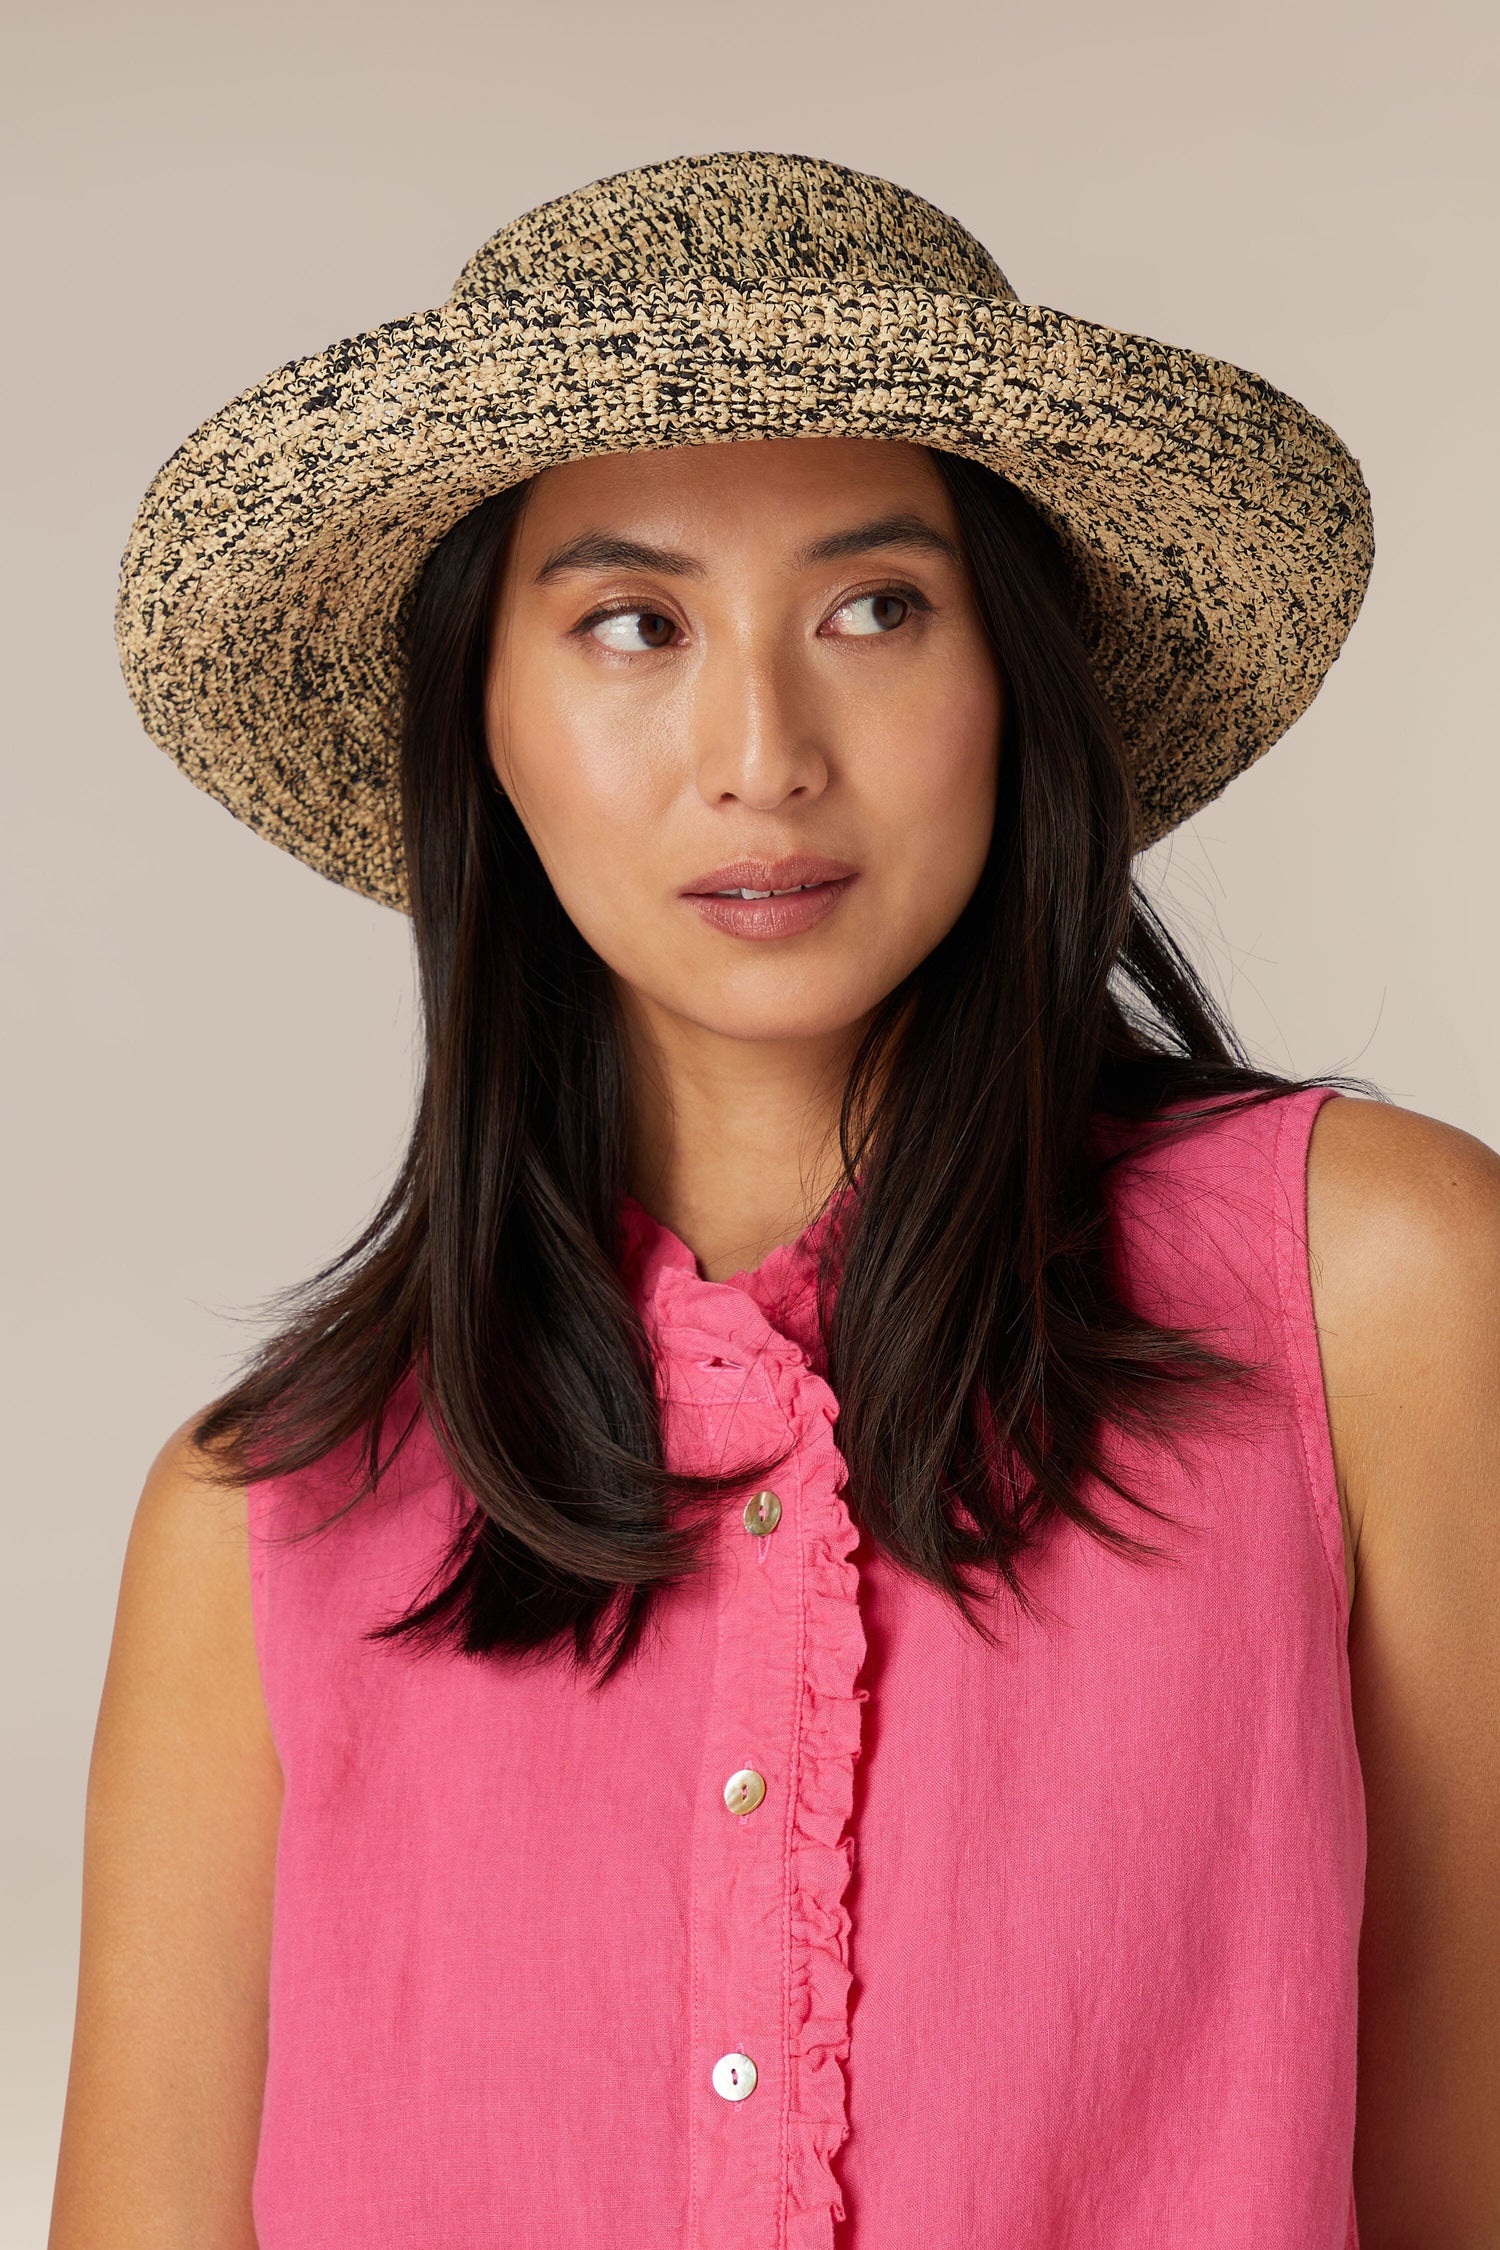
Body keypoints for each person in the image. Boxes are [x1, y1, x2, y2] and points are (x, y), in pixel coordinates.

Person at [50, 151, 1499, 2249]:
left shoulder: (1375, 1295)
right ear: (483, 717)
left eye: (874, 609)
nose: (762, 751)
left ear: (1015, 671)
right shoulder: (262, 1526)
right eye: (632, 624)